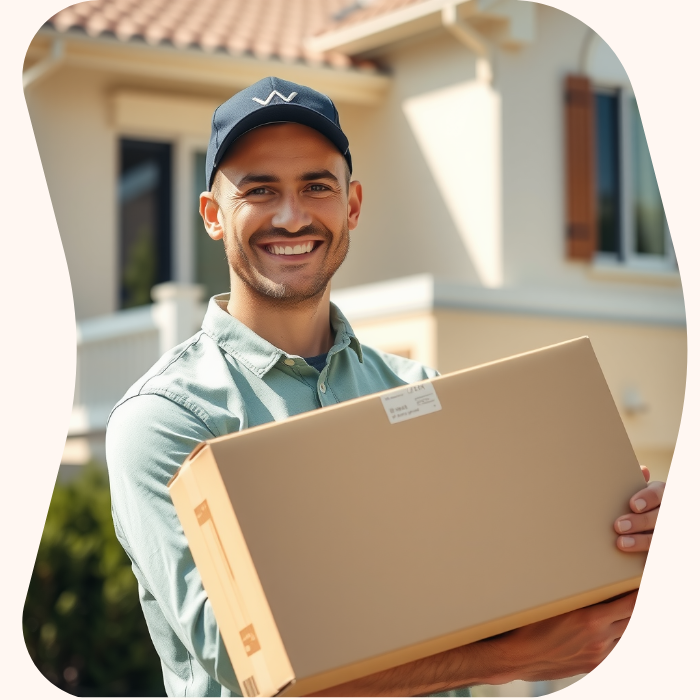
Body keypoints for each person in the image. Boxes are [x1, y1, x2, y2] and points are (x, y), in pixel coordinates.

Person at [106, 76, 665, 698]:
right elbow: (248, 667)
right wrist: (506, 662)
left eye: (316, 186)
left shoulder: (421, 392)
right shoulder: (164, 421)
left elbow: (494, 583)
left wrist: (626, 540)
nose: (291, 216)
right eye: (259, 191)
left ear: (352, 204)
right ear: (213, 216)